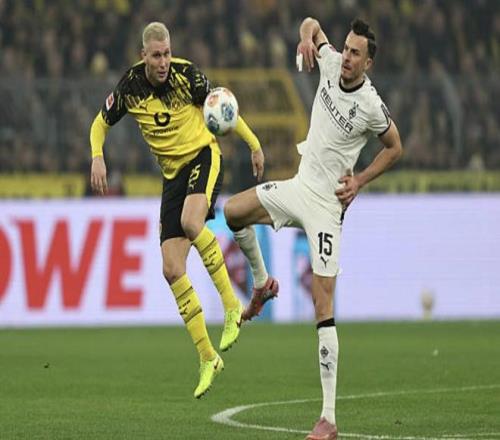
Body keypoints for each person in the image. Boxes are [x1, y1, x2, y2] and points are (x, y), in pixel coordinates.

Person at [224, 17, 403, 440]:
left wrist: (359, 181)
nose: (347, 57)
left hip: (326, 207)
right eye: (347, 48)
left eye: (356, 53)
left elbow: (395, 147)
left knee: (323, 304)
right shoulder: (330, 61)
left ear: (368, 63)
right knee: (232, 212)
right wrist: (306, 38)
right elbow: (311, 23)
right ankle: (262, 284)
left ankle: (328, 418)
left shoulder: (371, 105)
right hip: (298, 187)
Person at [89, 22, 265, 399]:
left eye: (167, 53)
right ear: (144, 56)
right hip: (172, 177)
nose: (164, 61)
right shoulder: (130, 87)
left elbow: (224, 110)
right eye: (156, 55)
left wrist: (253, 144)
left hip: (203, 156)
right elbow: (99, 125)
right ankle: (207, 357)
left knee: (190, 222)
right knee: (171, 269)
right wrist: (97, 156)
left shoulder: (188, 76)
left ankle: (232, 306)